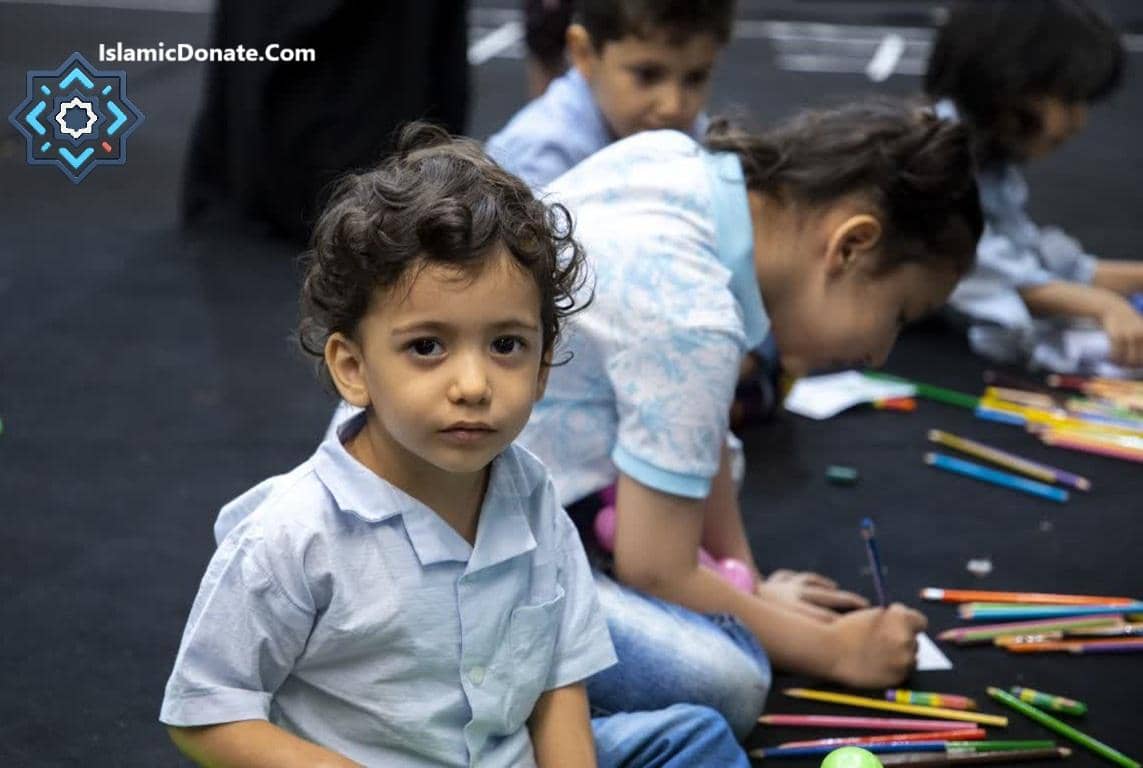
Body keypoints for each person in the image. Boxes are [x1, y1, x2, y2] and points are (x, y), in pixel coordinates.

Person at [160, 124, 750, 767]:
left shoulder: (532, 498)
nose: (473, 386)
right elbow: (205, 712)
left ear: (544, 364)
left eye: (506, 346)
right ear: (352, 368)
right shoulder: (292, 534)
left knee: (695, 737)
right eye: (426, 347)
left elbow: (559, 683)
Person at [516, 100, 984, 737]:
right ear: (851, 246)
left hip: (446, 485)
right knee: (729, 680)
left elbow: (697, 429)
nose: (880, 352)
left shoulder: (677, 160)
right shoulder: (697, 315)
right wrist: (836, 651)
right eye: (898, 314)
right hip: (468, 554)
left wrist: (750, 587)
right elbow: (653, 568)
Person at [925, 0, 1143, 373]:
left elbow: (1029, 260)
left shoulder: (986, 162)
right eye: (1070, 101)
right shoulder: (930, 163)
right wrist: (1106, 306)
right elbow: (984, 274)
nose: (1079, 122)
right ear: (1008, 87)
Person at [486, 0, 734, 190]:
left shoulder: (690, 135)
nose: (673, 105)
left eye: (696, 77)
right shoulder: (540, 159)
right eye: (648, 75)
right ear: (583, 53)